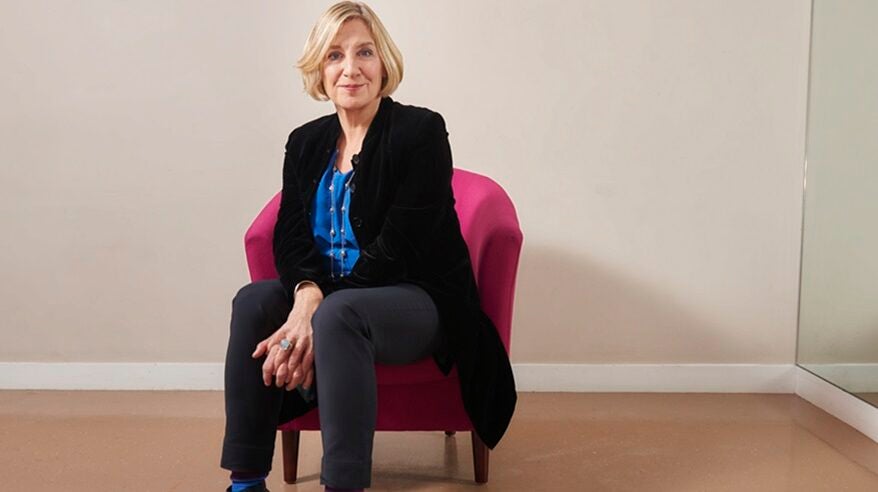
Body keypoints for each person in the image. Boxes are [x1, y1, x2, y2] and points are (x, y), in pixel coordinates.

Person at [220, 2, 516, 491]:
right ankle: (246, 481)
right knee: (253, 302)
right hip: (332, 299)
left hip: (417, 301)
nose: (350, 68)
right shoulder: (304, 142)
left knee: (341, 315)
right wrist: (306, 294)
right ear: (320, 68)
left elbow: (400, 245)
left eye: (365, 53)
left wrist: (318, 310)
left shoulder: (420, 132)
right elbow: (289, 233)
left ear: (385, 64)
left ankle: (344, 484)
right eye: (335, 55)